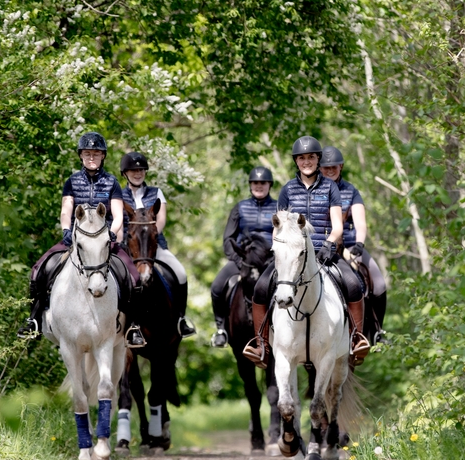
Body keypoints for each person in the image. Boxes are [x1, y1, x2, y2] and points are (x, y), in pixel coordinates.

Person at [246, 136, 370, 365]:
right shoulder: (287, 190)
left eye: (311, 157)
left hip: (324, 252)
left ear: (317, 159)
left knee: (353, 284)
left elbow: (338, 226)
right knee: (261, 288)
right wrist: (280, 249)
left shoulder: (331, 187)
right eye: (302, 158)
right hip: (292, 255)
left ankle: (356, 339)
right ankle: (261, 344)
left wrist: (328, 245)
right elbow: (278, 227)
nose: (307, 162)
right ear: (296, 161)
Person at [18, 132, 142, 344]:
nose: (91, 158)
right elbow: (66, 210)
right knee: (39, 269)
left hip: (105, 240)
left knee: (134, 277)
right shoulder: (72, 181)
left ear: (103, 156)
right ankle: (34, 320)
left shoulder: (112, 182)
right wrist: (67, 230)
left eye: (95, 153)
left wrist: (112, 233)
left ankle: (133, 327)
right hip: (77, 240)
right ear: (81, 156)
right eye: (87, 154)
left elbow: (118, 214)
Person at [119, 151, 196, 338]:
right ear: (125, 173)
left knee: (180, 272)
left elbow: (161, 220)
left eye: (141, 170)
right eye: (133, 170)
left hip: (154, 246)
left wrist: (151, 237)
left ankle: (181, 319)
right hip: (127, 249)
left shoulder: (156, 193)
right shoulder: (119, 196)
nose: (138, 173)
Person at [319, 145, 387, 345]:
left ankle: (377, 331)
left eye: (334, 167)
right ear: (319, 168)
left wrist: (359, 243)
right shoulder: (314, 191)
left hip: (348, 246)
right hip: (321, 245)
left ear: (341, 167)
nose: (330, 170)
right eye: (325, 167)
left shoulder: (351, 191)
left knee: (380, 283)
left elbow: (360, 222)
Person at [209, 166, 279, 347]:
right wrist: (239, 261)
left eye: (262, 183)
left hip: (269, 261)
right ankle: (221, 329)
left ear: (269, 185)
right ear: (250, 185)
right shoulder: (239, 208)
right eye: (255, 183)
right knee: (217, 287)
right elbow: (228, 239)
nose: (259, 186)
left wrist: (275, 257)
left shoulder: (278, 208)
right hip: (243, 260)